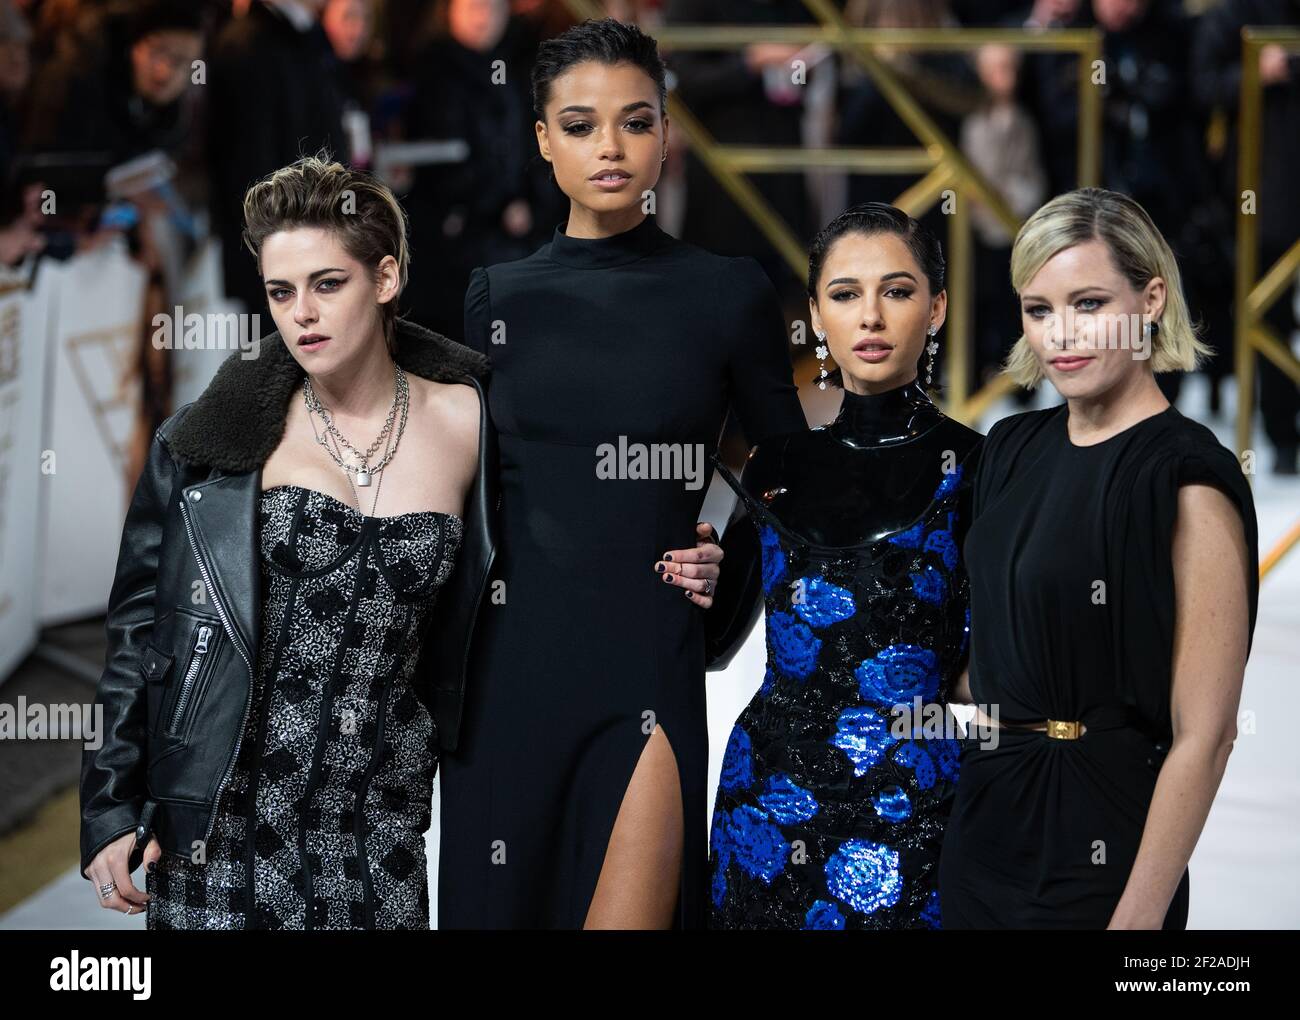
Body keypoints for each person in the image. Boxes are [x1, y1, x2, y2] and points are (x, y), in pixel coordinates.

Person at [437, 18, 806, 930]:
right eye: (580, 124)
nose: (611, 147)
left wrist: (727, 564)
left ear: (667, 135)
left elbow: (789, 474)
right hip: (507, 674)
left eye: (636, 122)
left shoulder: (726, 292)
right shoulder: (493, 297)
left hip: (647, 663)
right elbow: (451, 483)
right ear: (543, 141)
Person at [80, 155, 494, 929]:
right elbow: (143, 627)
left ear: (386, 278)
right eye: (281, 292)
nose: (301, 313)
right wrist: (109, 805)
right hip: (221, 819)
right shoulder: (212, 445)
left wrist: (689, 553)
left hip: (379, 824)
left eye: (327, 284)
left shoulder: (472, 422)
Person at [939, 187, 1259, 929]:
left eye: (1088, 303)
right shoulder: (1011, 450)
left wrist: (1137, 921)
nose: (1061, 335)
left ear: (1151, 300)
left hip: (1106, 848)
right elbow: (984, 650)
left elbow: (1206, 736)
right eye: (1039, 309)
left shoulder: (1185, 476)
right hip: (983, 827)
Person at [705, 204, 981, 929]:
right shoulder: (776, 464)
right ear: (817, 318)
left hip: (919, 813)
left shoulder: (982, 466)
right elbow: (712, 643)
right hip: (764, 802)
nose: (871, 317)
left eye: (896, 291)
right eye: (845, 294)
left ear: (938, 306)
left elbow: (997, 671)